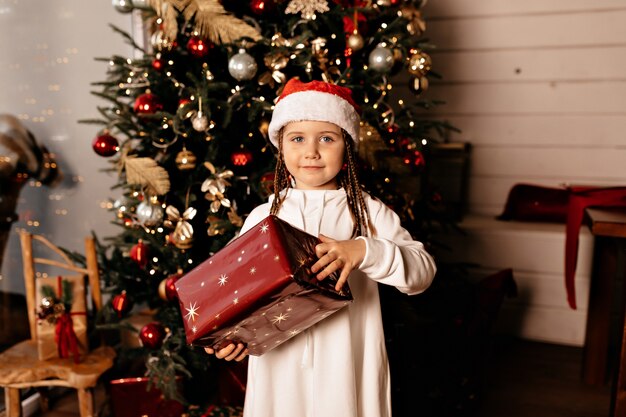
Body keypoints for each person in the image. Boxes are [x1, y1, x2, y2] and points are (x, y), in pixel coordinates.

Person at [205, 78, 437, 417]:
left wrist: (365, 251)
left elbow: (422, 273)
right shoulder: (262, 217)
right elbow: (236, 296)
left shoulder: (367, 212)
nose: (311, 151)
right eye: (298, 139)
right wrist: (233, 337)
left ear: (346, 147)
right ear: (281, 148)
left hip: (347, 368)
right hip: (279, 371)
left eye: (326, 139)